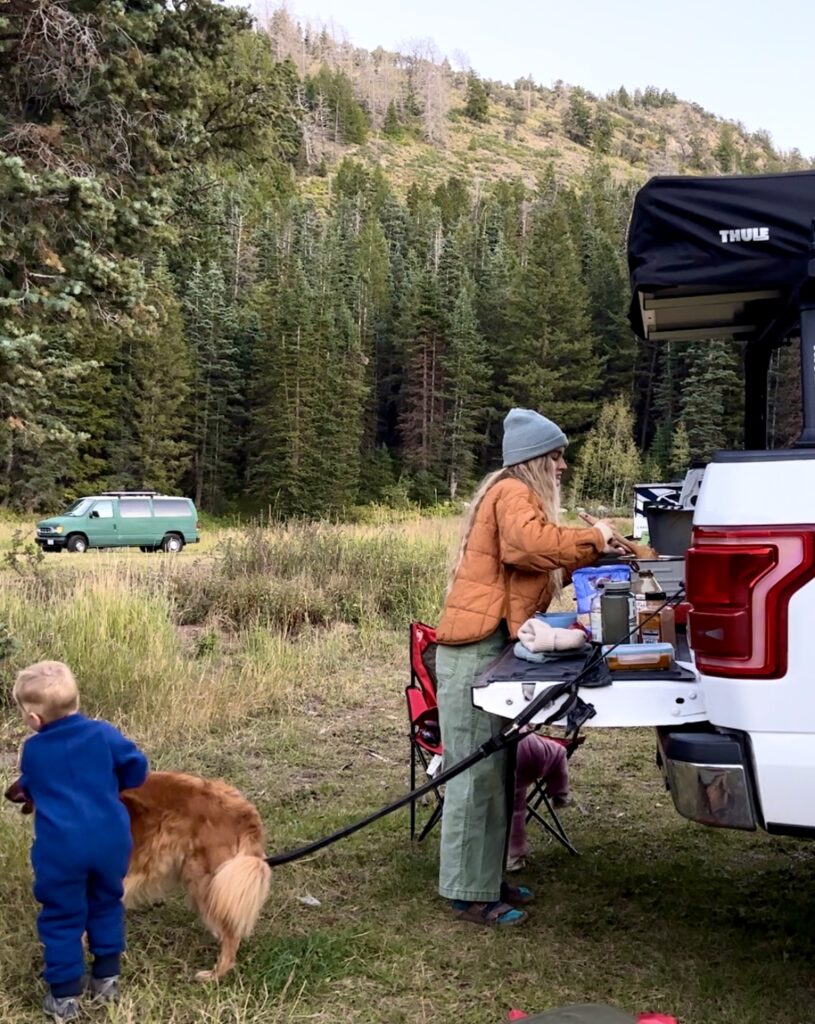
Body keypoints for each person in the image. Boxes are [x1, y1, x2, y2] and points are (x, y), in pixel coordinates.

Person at [434, 408, 623, 927]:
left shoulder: (513, 496)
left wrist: (604, 552)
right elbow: (528, 546)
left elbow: (538, 559)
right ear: (536, 459)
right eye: (557, 456)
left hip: (486, 647)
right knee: (475, 774)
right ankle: (466, 893)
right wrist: (591, 539)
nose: (563, 466)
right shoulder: (514, 493)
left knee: (496, 770)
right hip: (471, 652)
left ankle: (485, 877)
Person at [11, 661, 149, 1022]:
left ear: (35, 720)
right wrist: (110, 786)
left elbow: (33, 784)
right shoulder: (104, 734)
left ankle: (64, 996)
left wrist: (26, 790)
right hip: (110, 842)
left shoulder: (34, 750)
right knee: (106, 902)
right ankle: (106, 979)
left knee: (62, 916)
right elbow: (137, 767)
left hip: (61, 850)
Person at [506, 730, 571, 873]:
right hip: (524, 745)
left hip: (489, 754)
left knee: (510, 809)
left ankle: (511, 855)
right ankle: (560, 792)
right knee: (558, 751)